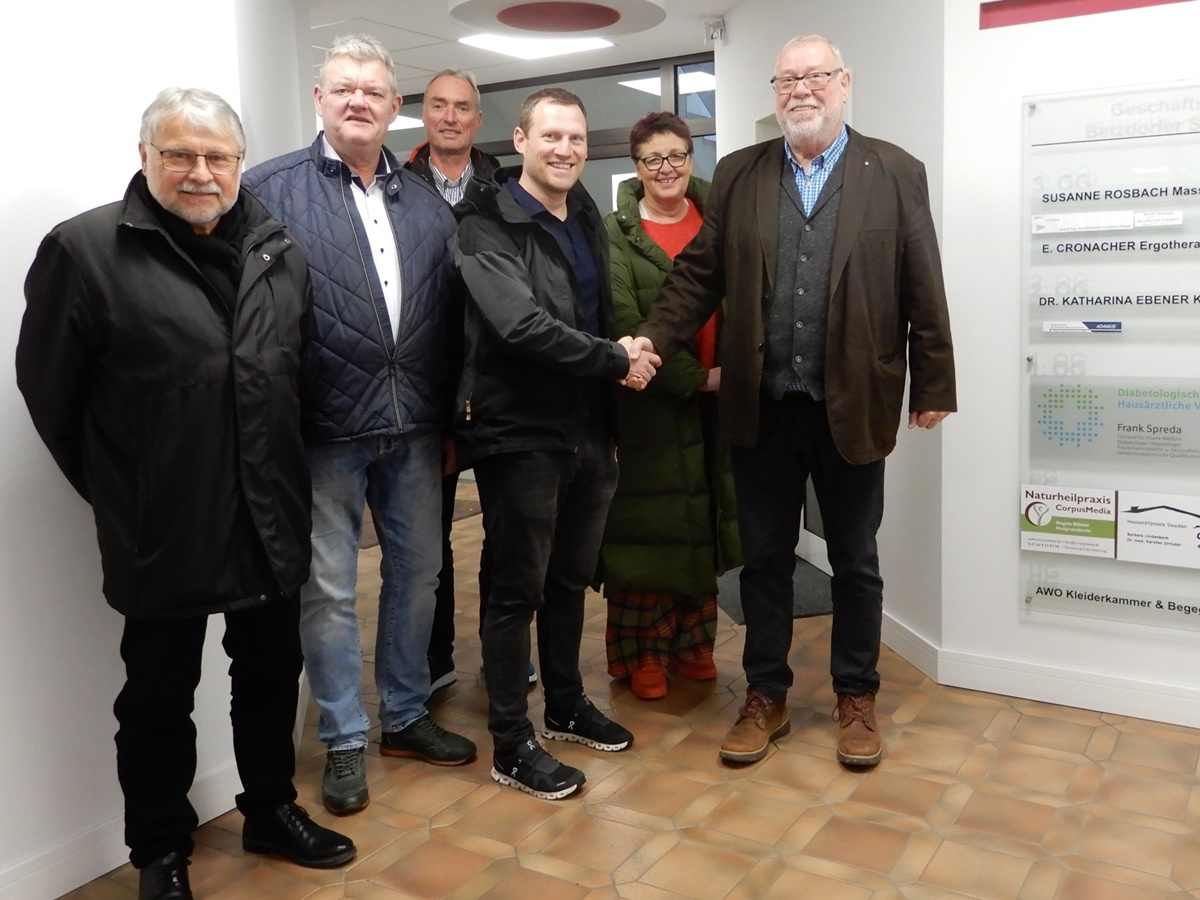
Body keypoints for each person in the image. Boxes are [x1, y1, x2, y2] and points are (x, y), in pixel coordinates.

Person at [16, 87, 356, 900]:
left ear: (240, 163)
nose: (200, 171)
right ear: (146, 157)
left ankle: (270, 810)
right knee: (158, 697)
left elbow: (297, 378)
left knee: (271, 673)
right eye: (181, 154)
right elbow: (50, 394)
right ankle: (161, 852)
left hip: (269, 510)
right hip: (161, 523)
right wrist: (124, 491)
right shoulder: (87, 250)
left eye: (218, 156)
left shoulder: (278, 248)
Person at [627, 35, 956, 767]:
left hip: (854, 402)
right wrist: (652, 340)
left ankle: (856, 696)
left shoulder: (895, 171)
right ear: (775, 93)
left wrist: (934, 381)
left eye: (815, 77)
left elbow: (921, 282)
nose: (800, 91)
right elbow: (697, 277)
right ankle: (766, 694)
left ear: (845, 83)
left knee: (856, 560)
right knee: (766, 560)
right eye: (787, 80)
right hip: (762, 407)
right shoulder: (742, 172)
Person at [243, 34, 475, 819]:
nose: (358, 102)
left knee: (420, 578)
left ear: (393, 108)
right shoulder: (267, 191)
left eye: (373, 92)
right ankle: (345, 737)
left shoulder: (424, 203)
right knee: (330, 591)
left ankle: (405, 714)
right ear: (319, 99)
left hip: (413, 430)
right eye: (344, 89)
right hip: (323, 433)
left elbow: (448, 320)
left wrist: (448, 421)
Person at [454, 88, 658, 800]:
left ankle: (566, 705)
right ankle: (512, 742)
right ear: (520, 140)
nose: (565, 149)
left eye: (575, 137)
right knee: (517, 591)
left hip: (587, 432)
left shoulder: (586, 215)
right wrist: (616, 356)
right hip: (521, 435)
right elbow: (521, 326)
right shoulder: (484, 223)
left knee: (571, 580)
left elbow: (599, 310)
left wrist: (627, 356)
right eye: (551, 136)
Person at [600, 112, 741, 701]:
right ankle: (643, 652)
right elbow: (624, 318)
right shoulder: (615, 231)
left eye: (677, 156)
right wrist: (696, 378)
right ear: (636, 167)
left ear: (692, 157)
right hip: (649, 400)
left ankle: (694, 643)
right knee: (646, 526)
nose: (667, 169)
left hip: (724, 403)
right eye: (653, 159)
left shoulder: (722, 218)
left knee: (704, 522)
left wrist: (729, 377)